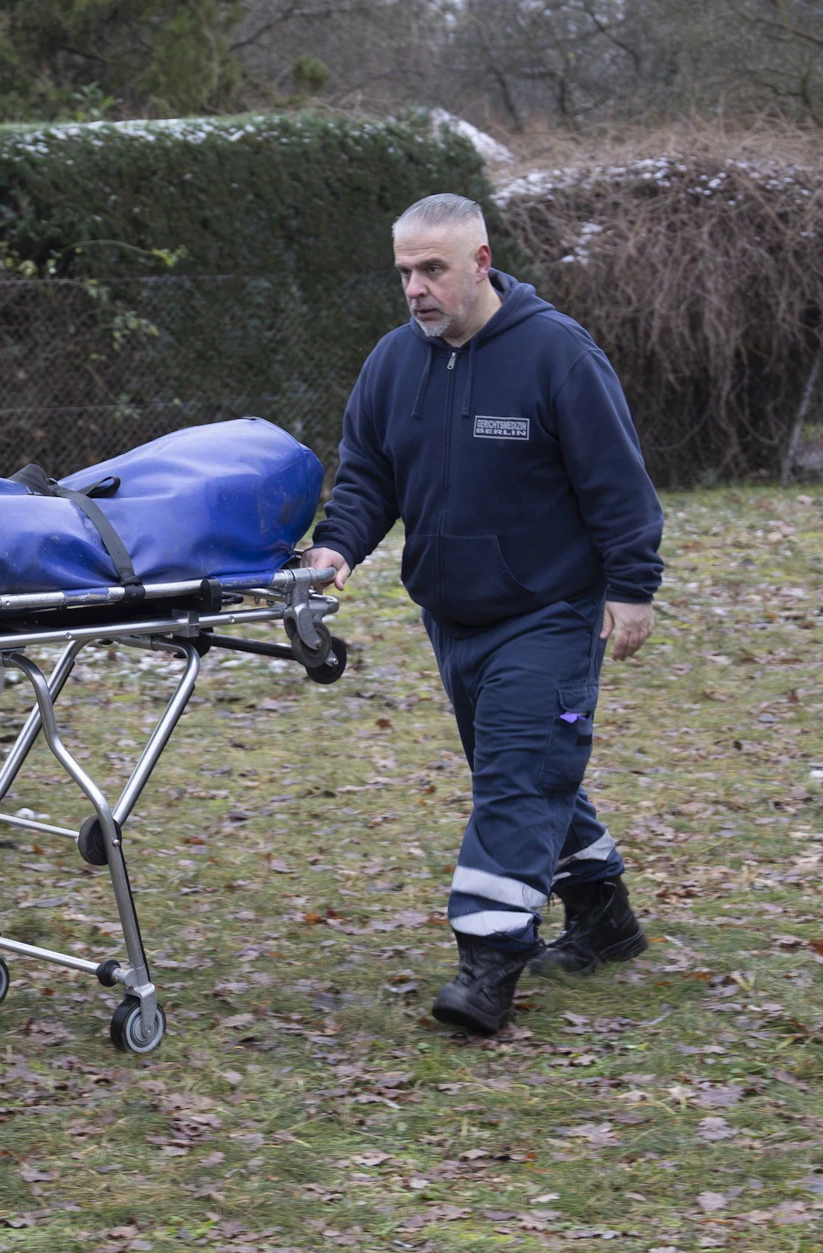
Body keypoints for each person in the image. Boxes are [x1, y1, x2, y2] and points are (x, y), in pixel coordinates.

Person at [304, 193, 663, 1036]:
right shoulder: (393, 364)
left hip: (550, 608)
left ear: (481, 261)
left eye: (433, 269)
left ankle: (488, 962)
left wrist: (632, 586)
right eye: (404, 272)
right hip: (451, 616)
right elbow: (367, 477)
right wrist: (335, 550)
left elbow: (618, 482)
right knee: (529, 768)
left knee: (514, 775)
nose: (416, 289)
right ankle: (603, 915)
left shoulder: (557, 355)